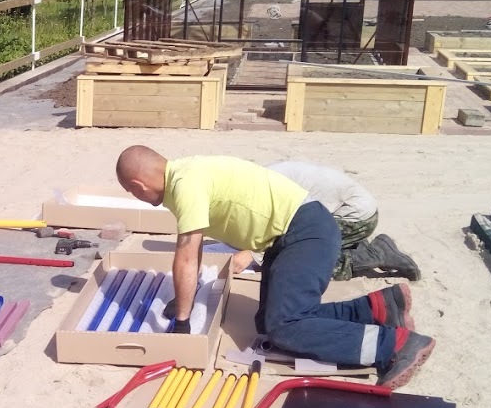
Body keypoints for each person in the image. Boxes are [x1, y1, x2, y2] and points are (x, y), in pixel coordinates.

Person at [113, 146, 434, 390]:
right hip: (293, 233)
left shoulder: (185, 184)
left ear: (138, 186)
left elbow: (185, 254)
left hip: (304, 232)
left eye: (132, 192)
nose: (137, 196)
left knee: (286, 326)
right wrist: (183, 301)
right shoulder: (186, 174)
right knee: (270, 322)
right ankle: (379, 306)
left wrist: (182, 327)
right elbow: (192, 252)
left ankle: (395, 345)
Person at [227, 160, 420, 282]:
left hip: (356, 217)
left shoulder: (268, 188)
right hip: (350, 208)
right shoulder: (261, 176)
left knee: (297, 263)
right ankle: (354, 244)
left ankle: (376, 254)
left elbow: (283, 229)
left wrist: (252, 255)